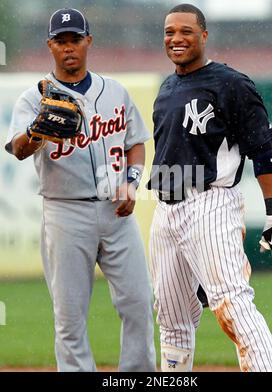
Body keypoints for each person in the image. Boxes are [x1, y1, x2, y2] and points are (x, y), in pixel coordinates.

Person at [5, 8, 156, 372]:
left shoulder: (115, 91)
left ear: (88, 41)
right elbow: (18, 149)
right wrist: (38, 129)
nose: (68, 47)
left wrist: (132, 183)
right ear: (50, 46)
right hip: (65, 211)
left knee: (138, 304)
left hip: (117, 212)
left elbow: (137, 142)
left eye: (75, 39)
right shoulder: (34, 97)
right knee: (70, 317)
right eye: (61, 41)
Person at [147, 3, 272, 372]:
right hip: (165, 210)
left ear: (204, 35)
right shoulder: (167, 87)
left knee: (233, 305)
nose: (176, 38)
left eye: (186, 31)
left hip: (209, 205)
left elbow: (263, 151)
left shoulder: (231, 83)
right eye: (169, 32)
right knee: (172, 320)